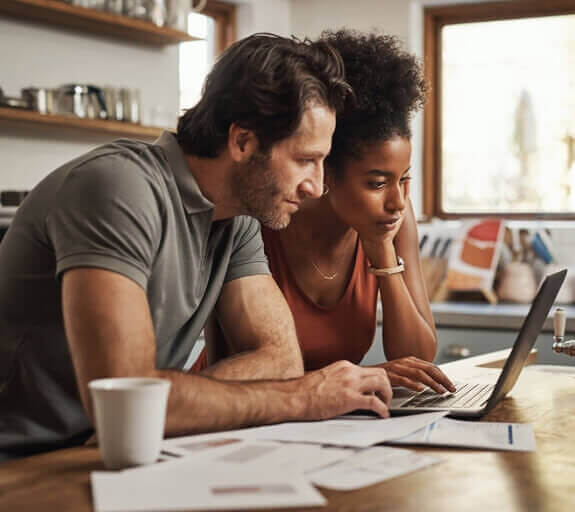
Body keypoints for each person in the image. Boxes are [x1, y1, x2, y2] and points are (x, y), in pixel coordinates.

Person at [0, 33, 393, 461]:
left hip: (114, 455)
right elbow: (128, 402)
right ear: (243, 142)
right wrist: (302, 398)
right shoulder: (118, 189)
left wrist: (172, 403)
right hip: (22, 465)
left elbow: (280, 360)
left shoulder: (237, 217)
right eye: (304, 160)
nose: (316, 187)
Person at [199, 30, 455, 395]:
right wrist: (364, 376)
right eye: (377, 183)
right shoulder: (262, 217)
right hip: (235, 411)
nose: (398, 201)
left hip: (328, 419)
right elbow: (239, 365)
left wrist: (381, 250)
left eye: (405, 179)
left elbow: (418, 359)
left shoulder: (393, 220)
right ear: (325, 169)